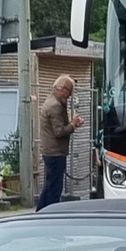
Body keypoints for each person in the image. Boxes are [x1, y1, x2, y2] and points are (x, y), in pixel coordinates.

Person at [36, 74, 84, 210]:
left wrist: (72, 123)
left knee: (49, 185)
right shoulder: (56, 106)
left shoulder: (51, 101)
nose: (69, 96)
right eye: (69, 92)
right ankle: (51, 213)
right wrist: (73, 125)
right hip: (55, 152)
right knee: (54, 188)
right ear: (62, 89)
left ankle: (40, 212)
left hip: (50, 151)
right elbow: (59, 132)